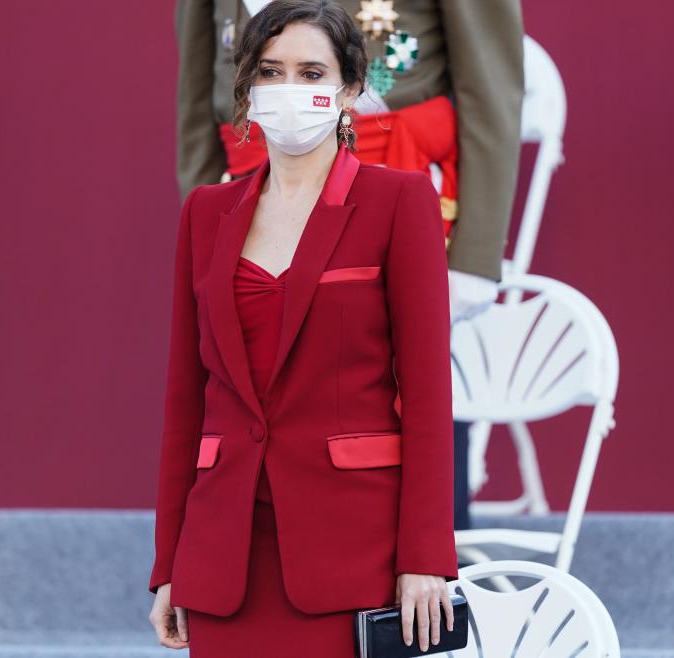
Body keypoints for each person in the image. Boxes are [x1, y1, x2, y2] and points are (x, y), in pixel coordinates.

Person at [148, 2, 458, 655]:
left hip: (350, 556)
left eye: (311, 72)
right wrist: (169, 566)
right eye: (271, 71)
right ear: (247, 88)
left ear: (349, 89)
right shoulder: (205, 213)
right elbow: (185, 403)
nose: (290, 91)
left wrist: (425, 556)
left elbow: (428, 399)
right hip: (223, 561)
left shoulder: (398, 203)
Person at [175, 0, 525, 533]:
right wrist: (206, 226)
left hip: (389, 182)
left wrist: (473, 253)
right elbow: (198, 89)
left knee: (406, 397)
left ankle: (420, 581)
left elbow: (489, 80)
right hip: (255, 192)